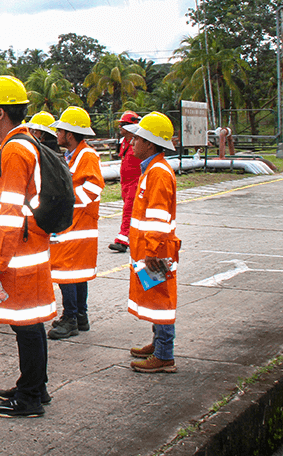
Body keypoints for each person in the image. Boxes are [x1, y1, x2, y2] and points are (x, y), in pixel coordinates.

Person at [0, 76, 57, 418]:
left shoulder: (14, 150)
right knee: (31, 325)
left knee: (26, 326)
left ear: (0, 113)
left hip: (18, 254)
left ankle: (28, 397)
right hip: (29, 249)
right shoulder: (26, 143)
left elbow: (10, 211)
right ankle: (35, 385)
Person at [124, 112, 181, 373]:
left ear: (150, 143)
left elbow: (157, 219)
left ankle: (164, 355)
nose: (132, 142)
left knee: (161, 302)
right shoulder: (152, 170)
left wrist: (151, 252)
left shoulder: (157, 173)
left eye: (138, 138)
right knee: (155, 298)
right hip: (150, 249)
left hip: (156, 251)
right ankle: (159, 344)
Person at [48, 106, 105, 340]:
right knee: (77, 273)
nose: (57, 135)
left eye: (60, 130)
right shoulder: (75, 155)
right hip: (75, 225)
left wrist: (66, 201)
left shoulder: (87, 155)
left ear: (69, 134)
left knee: (66, 272)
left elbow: (93, 188)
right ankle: (80, 316)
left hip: (77, 226)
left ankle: (70, 317)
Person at [109, 111, 141, 253]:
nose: (120, 128)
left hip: (136, 182)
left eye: (123, 125)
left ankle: (122, 240)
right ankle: (136, 237)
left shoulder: (139, 142)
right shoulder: (124, 143)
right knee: (134, 212)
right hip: (125, 183)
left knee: (128, 210)